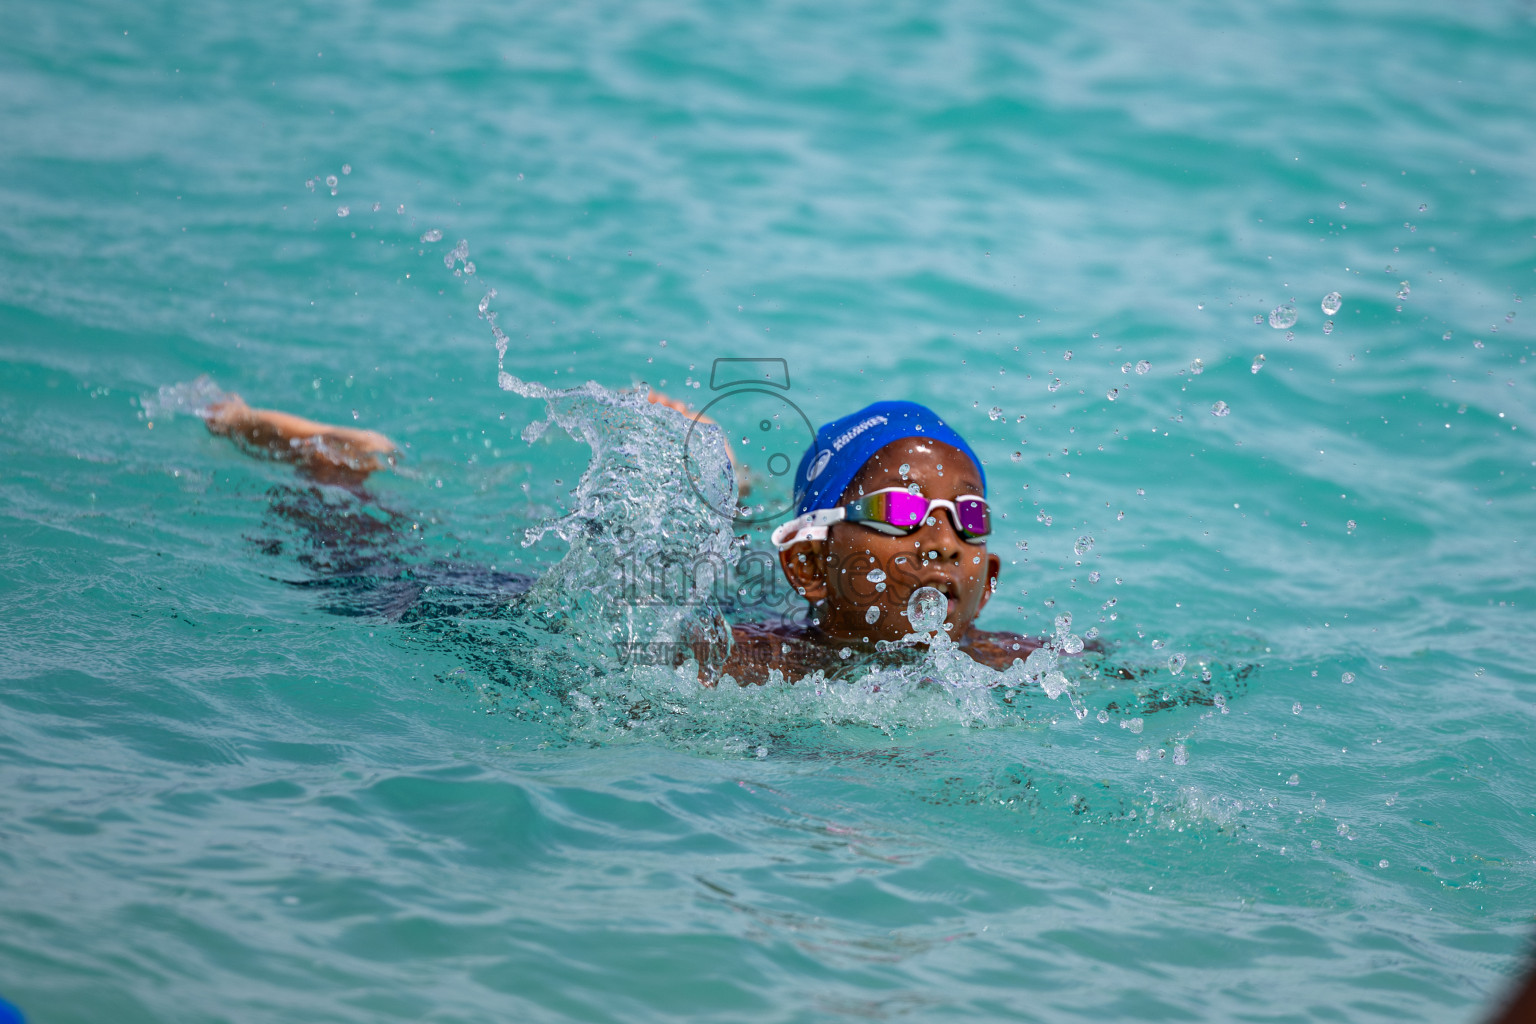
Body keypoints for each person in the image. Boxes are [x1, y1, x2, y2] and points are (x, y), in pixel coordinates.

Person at [199, 391, 1041, 685]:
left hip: (772, 589)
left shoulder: (1010, 665)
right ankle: (328, 470)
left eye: (968, 522)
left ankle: (728, 482)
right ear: (814, 563)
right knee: (371, 581)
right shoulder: (730, 664)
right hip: (730, 613)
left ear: (990, 575)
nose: (942, 541)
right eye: (898, 513)